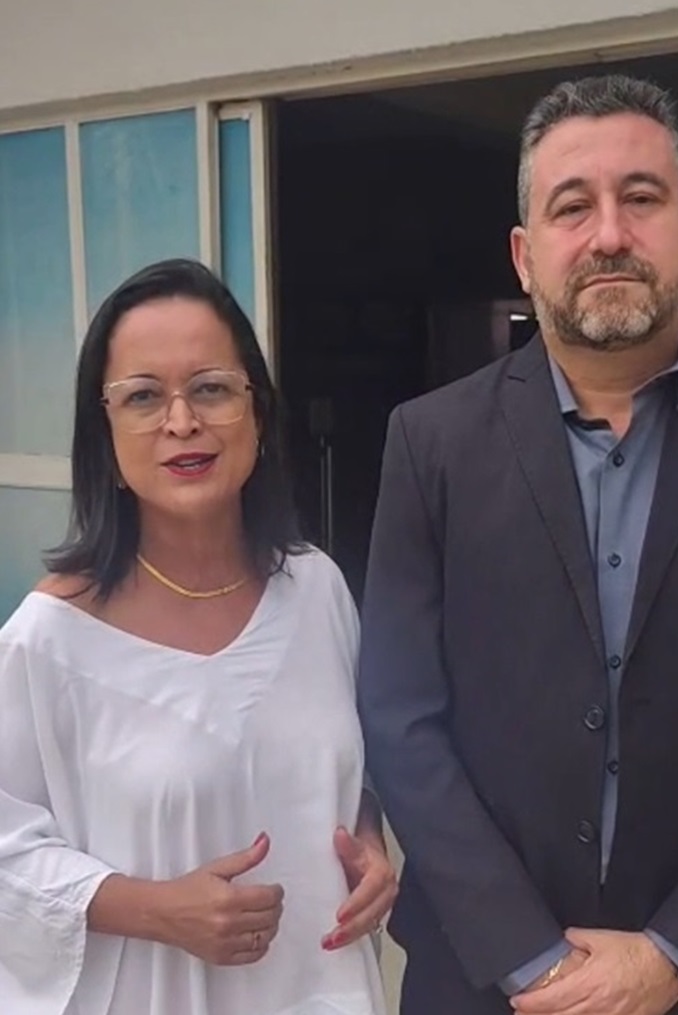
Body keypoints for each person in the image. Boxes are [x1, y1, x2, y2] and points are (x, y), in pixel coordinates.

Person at [358, 74, 678, 1015]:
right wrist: (533, 960)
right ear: (526, 255)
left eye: (641, 198)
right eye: (572, 206)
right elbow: (401, 716)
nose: (608, 234)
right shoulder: (430, 443)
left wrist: (675, 954)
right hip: (481, 981)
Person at [0, 258, 396, 1015]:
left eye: (211, 388)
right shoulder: (48, 642)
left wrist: (370, 842)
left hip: (323, 990)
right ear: (104, 434)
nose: (182, 421)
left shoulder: (316, 590)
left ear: (257, 413)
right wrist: (153, 908)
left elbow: (347, 772)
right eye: (143, 396)